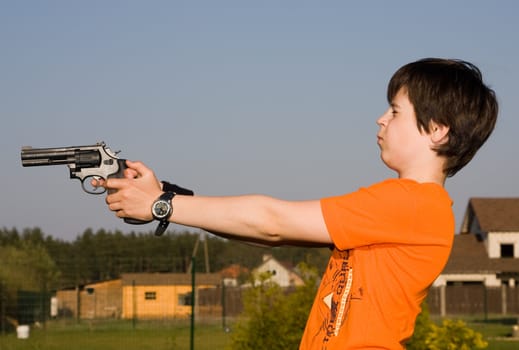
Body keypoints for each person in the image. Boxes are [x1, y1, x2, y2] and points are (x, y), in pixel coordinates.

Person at [99, 58, 498, 349]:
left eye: (395, 111)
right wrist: (176, 198)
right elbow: (274, 236)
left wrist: (161, 205)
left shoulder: (410, 204)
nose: (380, 119)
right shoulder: (405, 209)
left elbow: (272, 220)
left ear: (438, 130)